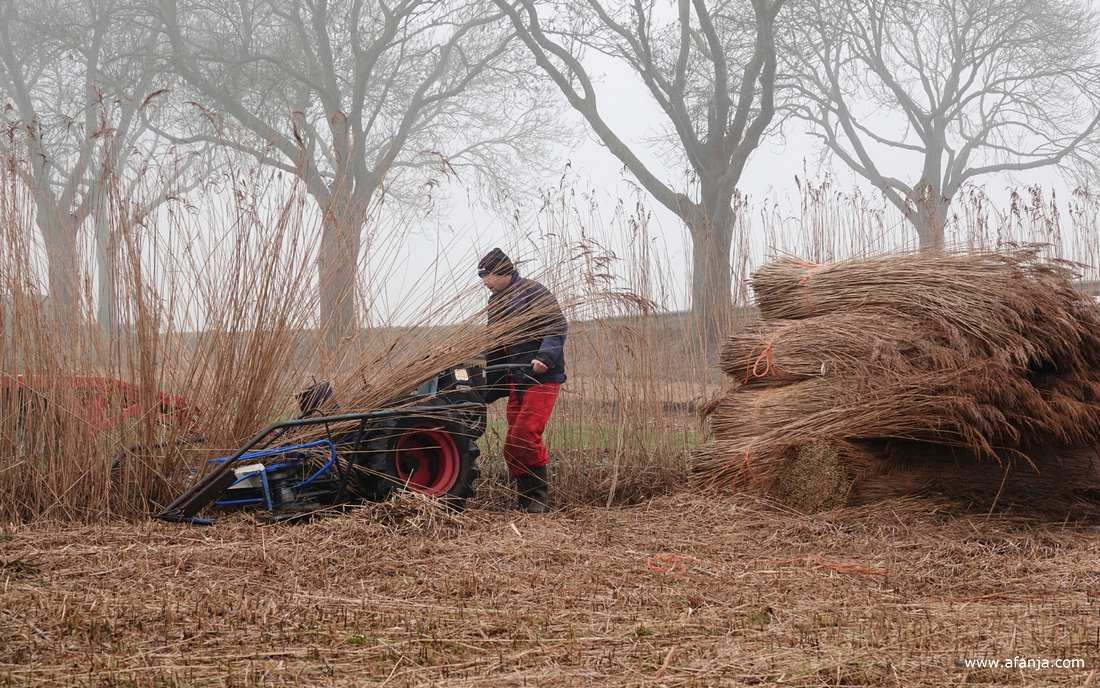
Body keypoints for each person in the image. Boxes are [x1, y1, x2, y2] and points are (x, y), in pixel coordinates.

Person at [478, 248, 567, 513]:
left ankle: (538, 501)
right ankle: (527, 501)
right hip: (515, 379)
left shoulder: (533, 292)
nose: (485, 282)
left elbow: (556, 326)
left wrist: (545, 357)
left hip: (540, 378)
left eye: (488, 275)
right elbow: (495, 342)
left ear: (502, 271)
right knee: (513, 445)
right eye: (482, 277)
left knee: (524, 436)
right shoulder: (495, 302)